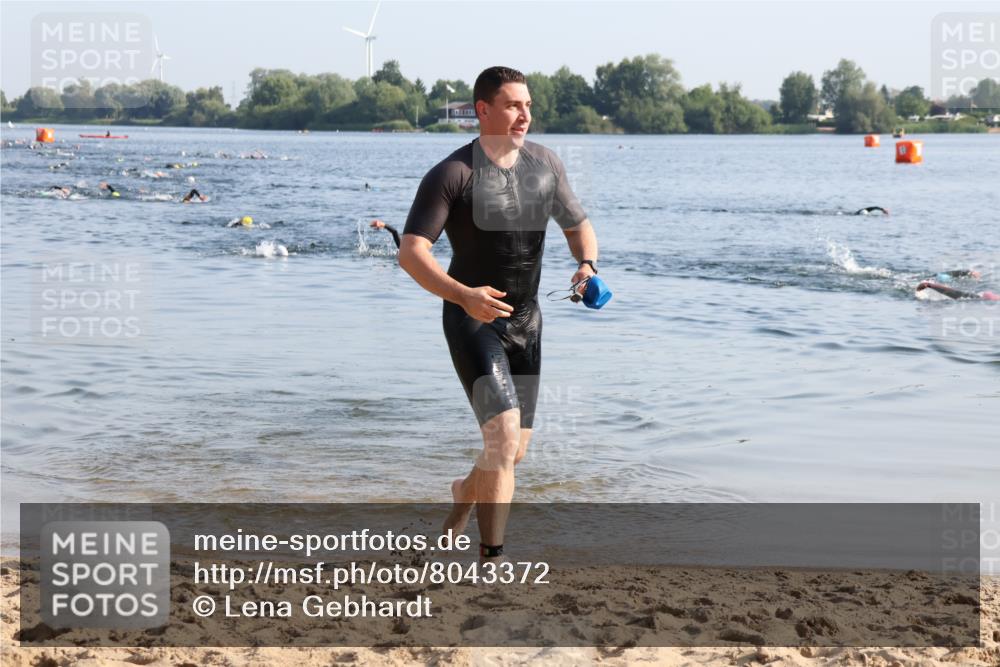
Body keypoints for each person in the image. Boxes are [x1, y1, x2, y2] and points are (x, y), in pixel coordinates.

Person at [398, 66, 600, 561]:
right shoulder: (453, 174)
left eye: (528, 105)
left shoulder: (545, 164)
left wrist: (586, 265)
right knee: (503, 438)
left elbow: (579, 226)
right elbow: (411, 252)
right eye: (513, 105)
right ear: (483, 111)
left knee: (511, 450)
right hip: (473, 322)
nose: (524, 114)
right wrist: (463, 294)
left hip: (527, 324)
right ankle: (492, 559)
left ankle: (462, 495)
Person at [916, 281, 999, 301]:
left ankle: (930, 285)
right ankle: (929, 284)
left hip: (987, 298)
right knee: (959, 295)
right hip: (986, 298)